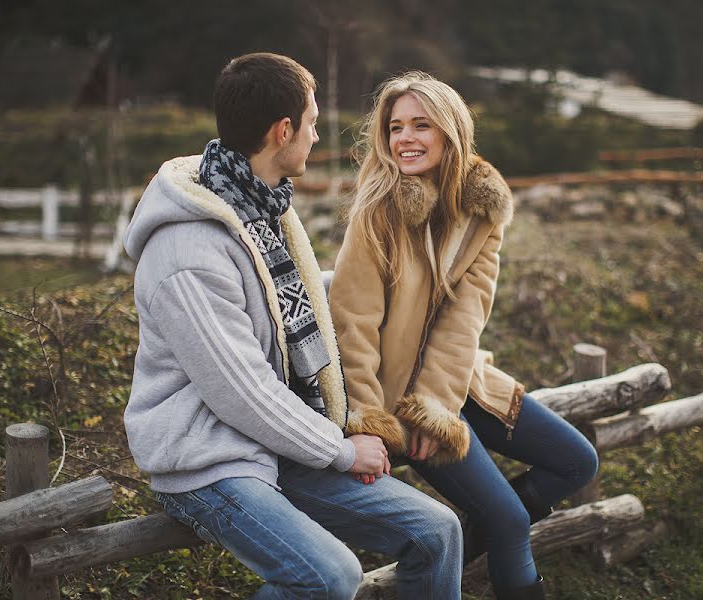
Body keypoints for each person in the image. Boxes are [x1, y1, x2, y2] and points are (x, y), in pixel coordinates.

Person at [123, 54, 462, 600]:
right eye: (312, 121)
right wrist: (341, 449)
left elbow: (289, 301)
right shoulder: (189, 252)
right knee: (329, 576)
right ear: (284, 132)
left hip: (278, 444)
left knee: (437, 533)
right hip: (208, 461)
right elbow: (243, 392)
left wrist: (393, 289)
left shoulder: (261, 205)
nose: (318, 133)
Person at [330, 72, 599, 599]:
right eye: (395, 127)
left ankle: (488, 530)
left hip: (455, 383)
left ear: (450, 131)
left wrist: (437, 401)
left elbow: (465, 316)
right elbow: (351, 325)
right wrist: (371, 420)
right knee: (510, 522)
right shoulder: (378, 209)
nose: (403, 139)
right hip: (393, 398)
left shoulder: (482, 208)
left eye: (420, 125)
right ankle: (499, 529)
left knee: (576, 462)